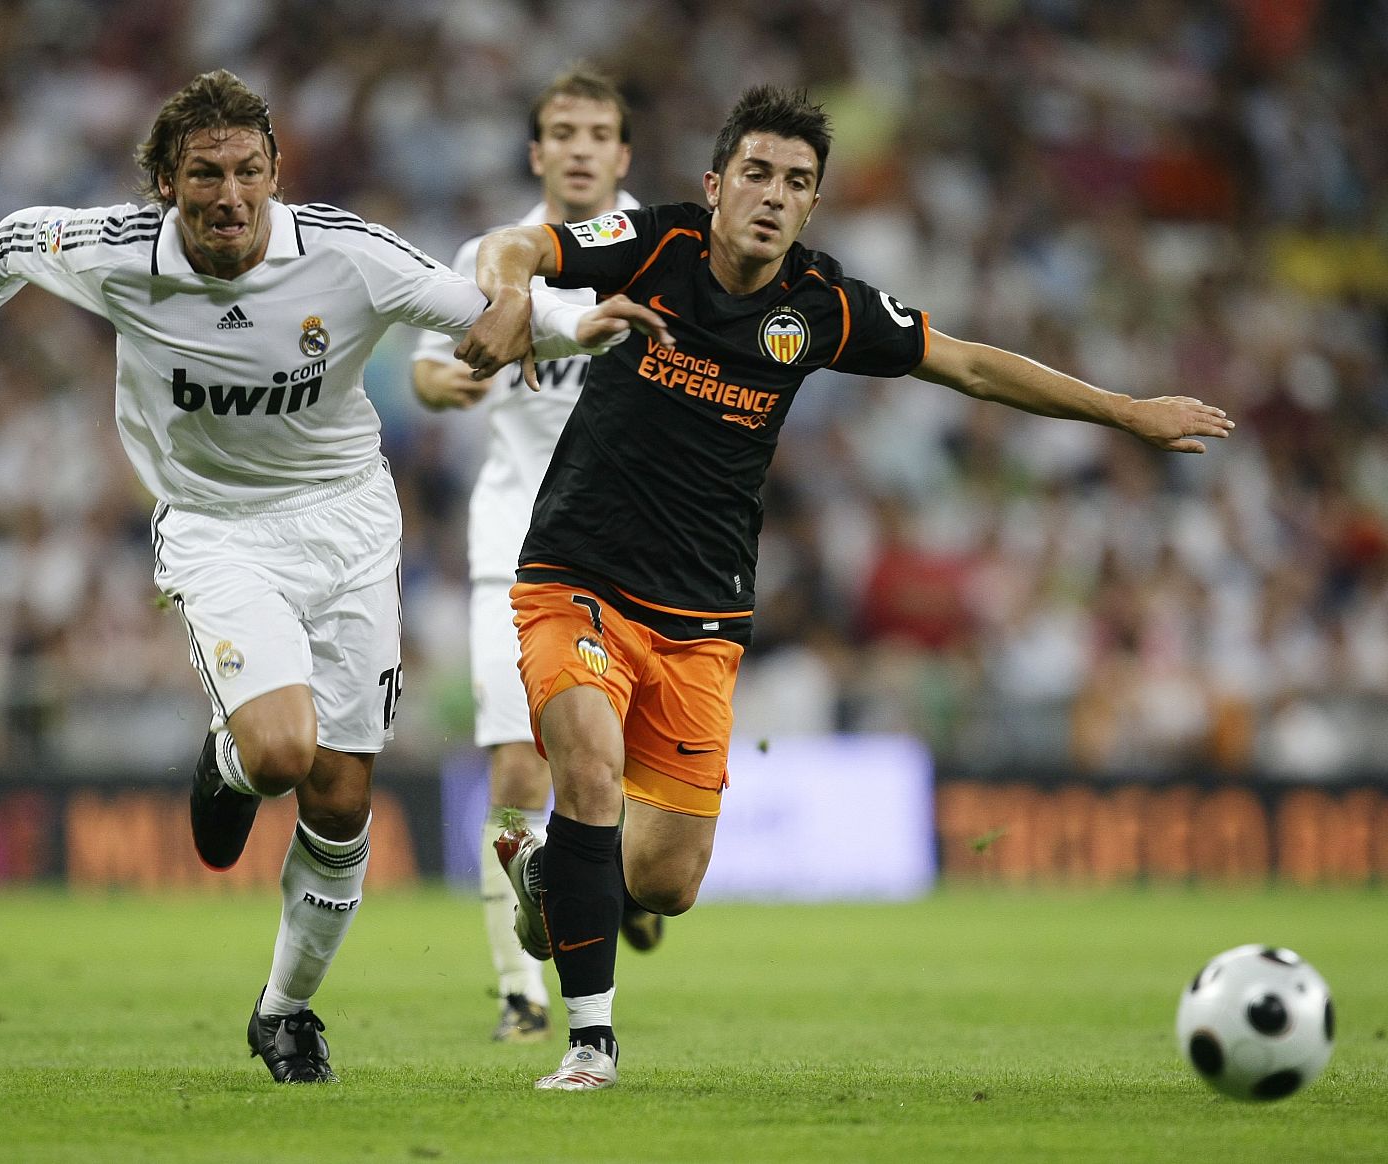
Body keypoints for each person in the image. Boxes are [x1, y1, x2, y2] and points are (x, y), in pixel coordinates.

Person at [459, 85, 1235, 1091]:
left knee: (662, 881)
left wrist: (1124, 411)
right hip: (577, 574)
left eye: (795, 183)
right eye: (756, 175)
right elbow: (514, 249)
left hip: (701, 614)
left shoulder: (821, 306)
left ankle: (543, 875)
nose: (772, 197)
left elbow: (968, 366)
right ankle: (590, 1045)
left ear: (813, 205)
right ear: (715, 184)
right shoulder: (652, 244)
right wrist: (512, 295)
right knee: (590, 776)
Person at [0, 69, 669, 1085]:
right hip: (218, 530)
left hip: (351, 531)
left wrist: (574, 325)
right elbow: (13, 241)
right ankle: (230, 763)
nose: (228, 196)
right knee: (280, 750)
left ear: (276, 173)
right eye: (203, 175)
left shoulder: (345, 255)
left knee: (340, 798)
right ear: (164, 183)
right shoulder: (117, 256)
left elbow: (479, 312)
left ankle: (284, 1012)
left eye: (247, 172)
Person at [409, 66, 662, 1047]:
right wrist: (436, 386)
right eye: (563, 130)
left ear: (623, 153)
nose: (581, 147)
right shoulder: (493, 256)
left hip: (638, 546)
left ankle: (624, 883)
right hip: (515, 541)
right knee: (519, 765)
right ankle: (520, 989)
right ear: (537, 151)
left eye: (599, 131)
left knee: (623, 789)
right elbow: (434, 353)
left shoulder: (666, 252)